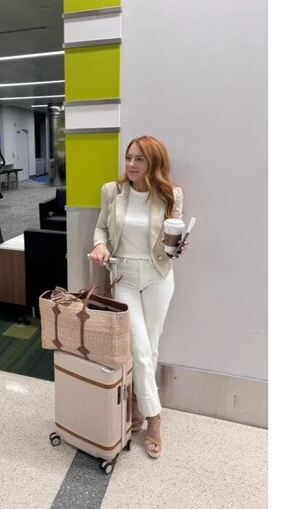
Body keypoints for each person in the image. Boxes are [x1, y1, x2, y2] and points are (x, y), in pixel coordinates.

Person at [89, 135, 188, 459]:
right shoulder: (112, 191)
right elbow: (101, 228)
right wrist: (100, 245)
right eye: (129, 157)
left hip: (159, 276)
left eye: (139, 159)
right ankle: (155, 417)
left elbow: (172, 238)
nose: (131, 164)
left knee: (151, 345)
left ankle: (136, 404)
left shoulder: (171, 194)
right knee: (140, 349)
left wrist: (178, 246)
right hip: (124, 276)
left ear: (154, 163)